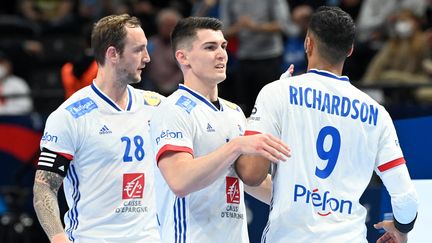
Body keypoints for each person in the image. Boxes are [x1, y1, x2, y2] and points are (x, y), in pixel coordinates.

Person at [235, 6, 419, 242]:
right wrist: (402, 227)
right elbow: (406, 198)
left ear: (308, 44)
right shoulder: (377, 113)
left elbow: (251, 174)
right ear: (350, 50)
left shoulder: (278, 92)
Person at [149, 17, 290, 243]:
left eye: (223, 46)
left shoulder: (234, 113)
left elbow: (254, 184)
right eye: (210, 47)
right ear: (182, 57)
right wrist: (235, 146)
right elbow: (180, 180)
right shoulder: (172, 110)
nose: (222, 54)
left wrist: (307, 204)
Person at [33, 14, 162, 243]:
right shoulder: (69, 115)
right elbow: (44, 188)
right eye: (138, 50)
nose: (147, 58)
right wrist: (59, 239)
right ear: (113, 54)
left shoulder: (156, 106)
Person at [219, 0, 298, 116]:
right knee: (246, 109)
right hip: (244, 58)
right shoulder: (228, 2)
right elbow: (223, 31)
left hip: (270, 57)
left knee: (272, 107)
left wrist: (254, 26)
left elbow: (283, 25)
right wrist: (239, 27)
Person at [0, 50, 33, 115]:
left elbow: (26, 107)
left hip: (13, 121)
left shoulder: (18, 83)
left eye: (1, 63)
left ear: (9, 65)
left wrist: (3, 110)